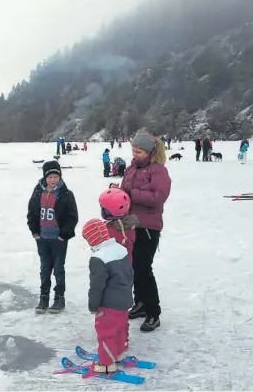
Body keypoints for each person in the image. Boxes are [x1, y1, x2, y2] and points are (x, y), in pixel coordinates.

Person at [110, 132, 171, 332]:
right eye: (133, 150)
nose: (135, 154)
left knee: (144, 268)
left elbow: (158, 197)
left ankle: (154, 312)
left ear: (150, 152)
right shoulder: (130, 169)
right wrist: (117, 192)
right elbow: (125, 193)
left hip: (148, 226)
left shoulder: (158, 171)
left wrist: (131, 194)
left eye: (139, 151)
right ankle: (141, 303)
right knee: (132, 267)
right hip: (129, 224)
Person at [27, 160, 78, 314]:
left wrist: (64, 235)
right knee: (44, 269)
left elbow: (72, 217)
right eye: (50, 177)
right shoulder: (37, 193)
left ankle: (59, 298)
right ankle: (44, 297)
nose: (53, 180)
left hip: (58, 239)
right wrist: (35, 232)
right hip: (42, 238)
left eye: (56, 176)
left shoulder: (66, 194)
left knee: (58, 269)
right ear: (45, 177)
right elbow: (31, 214)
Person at [83, 218, 133, 375]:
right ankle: (117, 354)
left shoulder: (99, 258)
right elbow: (130, 274)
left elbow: (97, 286)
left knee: (106, 332)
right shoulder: (120, 248)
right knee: (120, 329)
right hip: (124, 300)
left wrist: (93, 305)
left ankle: (106, 364)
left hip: (109, 304)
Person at [98, 188, 139, 262]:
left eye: (104, 209)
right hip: (125, 268)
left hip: (114, 269)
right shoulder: (128, 226)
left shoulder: (113, 230)